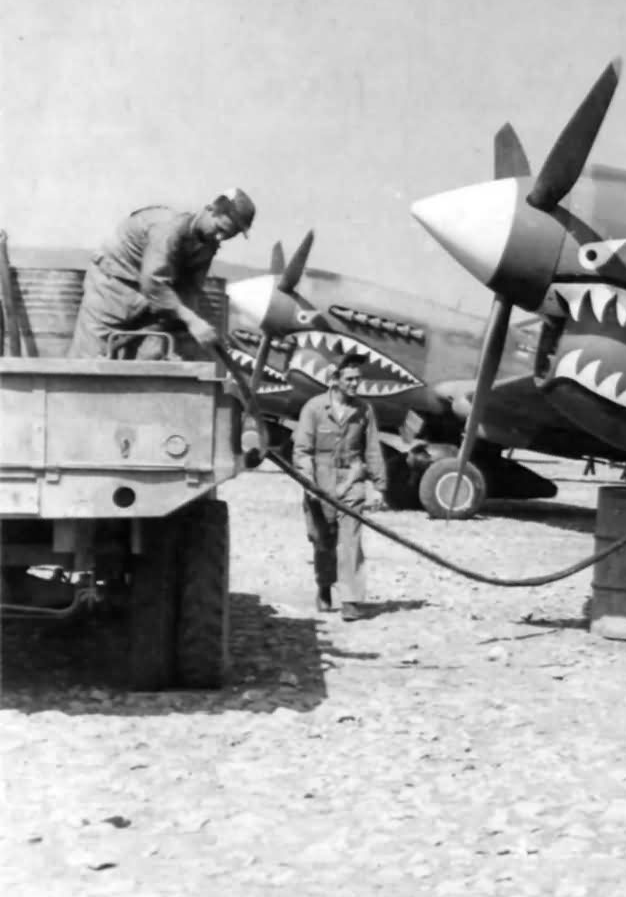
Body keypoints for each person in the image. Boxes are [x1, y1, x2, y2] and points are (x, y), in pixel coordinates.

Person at [68, 189, 256, 360]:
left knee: (153, 357)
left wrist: (188, 323)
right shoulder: (168, 228)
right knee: (91, 361)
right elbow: (153, 282)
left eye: (229, 235)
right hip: (111, 289)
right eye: (220, 229)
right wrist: (191, 320)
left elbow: (190, 288)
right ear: (210, 210)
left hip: (150, 300)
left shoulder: (207, 243)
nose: (220, 238)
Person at [293, 352, 388, 621]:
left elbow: (372, 448)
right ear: (334, 380)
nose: (355, 384)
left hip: (352, 479)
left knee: (350, 542)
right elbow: (302, 451)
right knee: (322, 541)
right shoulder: (313, 408)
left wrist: (379, 486)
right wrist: (309, 482)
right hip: (319, 480)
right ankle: (324, 586)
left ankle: (351, 599)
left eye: (358, 379)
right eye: (349, 379)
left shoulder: (363, 410)